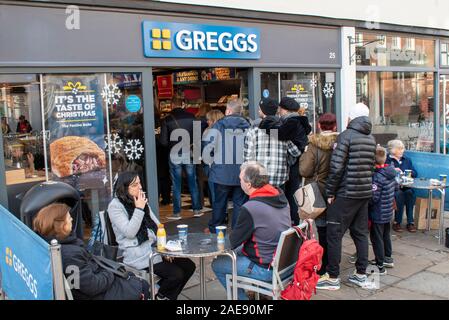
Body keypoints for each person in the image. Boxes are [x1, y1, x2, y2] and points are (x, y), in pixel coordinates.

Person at [33, 203, 150, 300]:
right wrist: (110, 271)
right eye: (69, 218)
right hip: (99, 293)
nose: (72, 219)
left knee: (132, 278)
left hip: (97, 284)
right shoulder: (69, 255)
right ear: (61, 226)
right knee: (142, 285)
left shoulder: (53, 246)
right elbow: (92, 286)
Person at [108, 172, 196, 300]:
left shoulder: (140, 199)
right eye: (135, 185)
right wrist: (139, 209)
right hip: (137, 255)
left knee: (189, 266)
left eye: (139, 183)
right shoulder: (115, 206)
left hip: (154, 249)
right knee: (176, 275)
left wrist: (164, 248)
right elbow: (129, 232)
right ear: (124, 188)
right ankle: (162, 296)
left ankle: (164, 295)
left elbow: (158, 225)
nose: (140, 187)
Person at [316, 102, 376, 290]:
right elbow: (370, 166)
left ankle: (332, 277)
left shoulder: (345, 137)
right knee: (360, 233)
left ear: (351, 118)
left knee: (334, 234)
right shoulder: (370, 138)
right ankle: (360, 273)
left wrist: (330, 192)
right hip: (363, 192)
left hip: (344, 193)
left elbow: (336, 168)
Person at [211, 161, 291, 300]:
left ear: (248, 184)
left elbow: (232, 242)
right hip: (285, 265)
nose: (239, 181)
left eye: (240, 179)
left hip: (266, 269)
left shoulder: (251, 207)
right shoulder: (280, 196)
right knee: (236, 252)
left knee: (218, 264)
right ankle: (256, 293)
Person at [259, 97, 312, 225]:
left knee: (291, 196)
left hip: (294, 164)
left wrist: (265, 124)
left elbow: (280, 134)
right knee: (291, 195)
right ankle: (292, 222)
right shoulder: (298, 120)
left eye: (280, 109)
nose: (279, 112)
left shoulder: (292, 122)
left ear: (285, 110)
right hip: (296, 164)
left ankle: (293, 222)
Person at [299, 113, 338, 276]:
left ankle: (324, 266)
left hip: (318, 191)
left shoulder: (313, 144)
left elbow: (304, 170)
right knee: (335, 228)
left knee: (321, 229)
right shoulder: (342, 142)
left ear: (319, 126)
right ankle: (333, 264)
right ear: (335, 126)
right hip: (337, 190)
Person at [203, 98, 250, 233]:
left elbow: (208, 147)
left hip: (221, 172)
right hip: (242, 173)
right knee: (239, 204)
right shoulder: (248, 126)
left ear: (228, 110)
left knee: (219, 203)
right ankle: (237, 231)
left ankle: (216, 229)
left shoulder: (218, 125)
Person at [160, 97, 203, 219]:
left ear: (172, 105)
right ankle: (197, 210)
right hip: (189, 152)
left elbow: (163, 142)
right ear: (182, 104)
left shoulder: (167, 119)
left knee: (176, 183)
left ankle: (177, 213)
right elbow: (198, 136)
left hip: (174, 154)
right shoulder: (192, 117)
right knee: (192, 181)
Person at [244, 98, 301, 188]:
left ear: (263, 111)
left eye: (259, 109)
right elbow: (296, 152)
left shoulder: (253, 131)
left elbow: (247, 158)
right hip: (279, 179)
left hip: (259, 179)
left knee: (260, 202)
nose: (258, 111)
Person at [369, 145, 398, 275]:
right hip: (388, 211)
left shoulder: (377, 177)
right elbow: (396, 188)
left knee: (377, 238)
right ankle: (387, 258)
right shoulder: (391, 172)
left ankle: (380, 265)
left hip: (378, 212)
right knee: (386, 235)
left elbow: (374, 198)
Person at [386, 139, 418, 233]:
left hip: (406, 185)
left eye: (402, 149)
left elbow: (415, 173)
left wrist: (409, 173)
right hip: (393, 187)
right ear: (392, 150)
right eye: (399, 149)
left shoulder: (407, 159)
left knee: (409, 193)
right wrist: (392, 170)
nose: (402, 151)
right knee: (399, 195)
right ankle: (397, 222)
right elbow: (381, 173)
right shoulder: (387, 159)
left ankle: (410, 222)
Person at [201, 110, 225, 207]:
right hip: (219, 164)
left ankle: (218, 212)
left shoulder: (210, 132)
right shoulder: (225, 131)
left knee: (214, 189)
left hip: (212, 164)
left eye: (209, 120)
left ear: (214, 120)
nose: (207, 122)